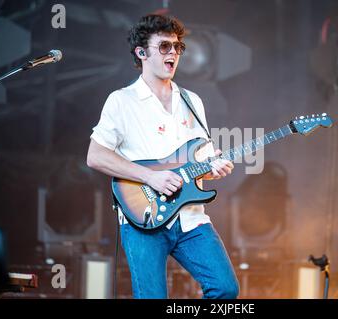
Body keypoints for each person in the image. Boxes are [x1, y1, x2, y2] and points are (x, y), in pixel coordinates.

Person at [86, 14, 239, 299]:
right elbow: (95, 156)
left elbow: (197, 162)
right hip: (142, 219)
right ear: (141, 52)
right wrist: (150, 177)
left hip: (191, 219)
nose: (173, 54)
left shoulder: (192, 101)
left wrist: (213, 167)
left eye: (178, 47)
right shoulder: (122, 100)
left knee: (225, 289)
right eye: (165, 46)